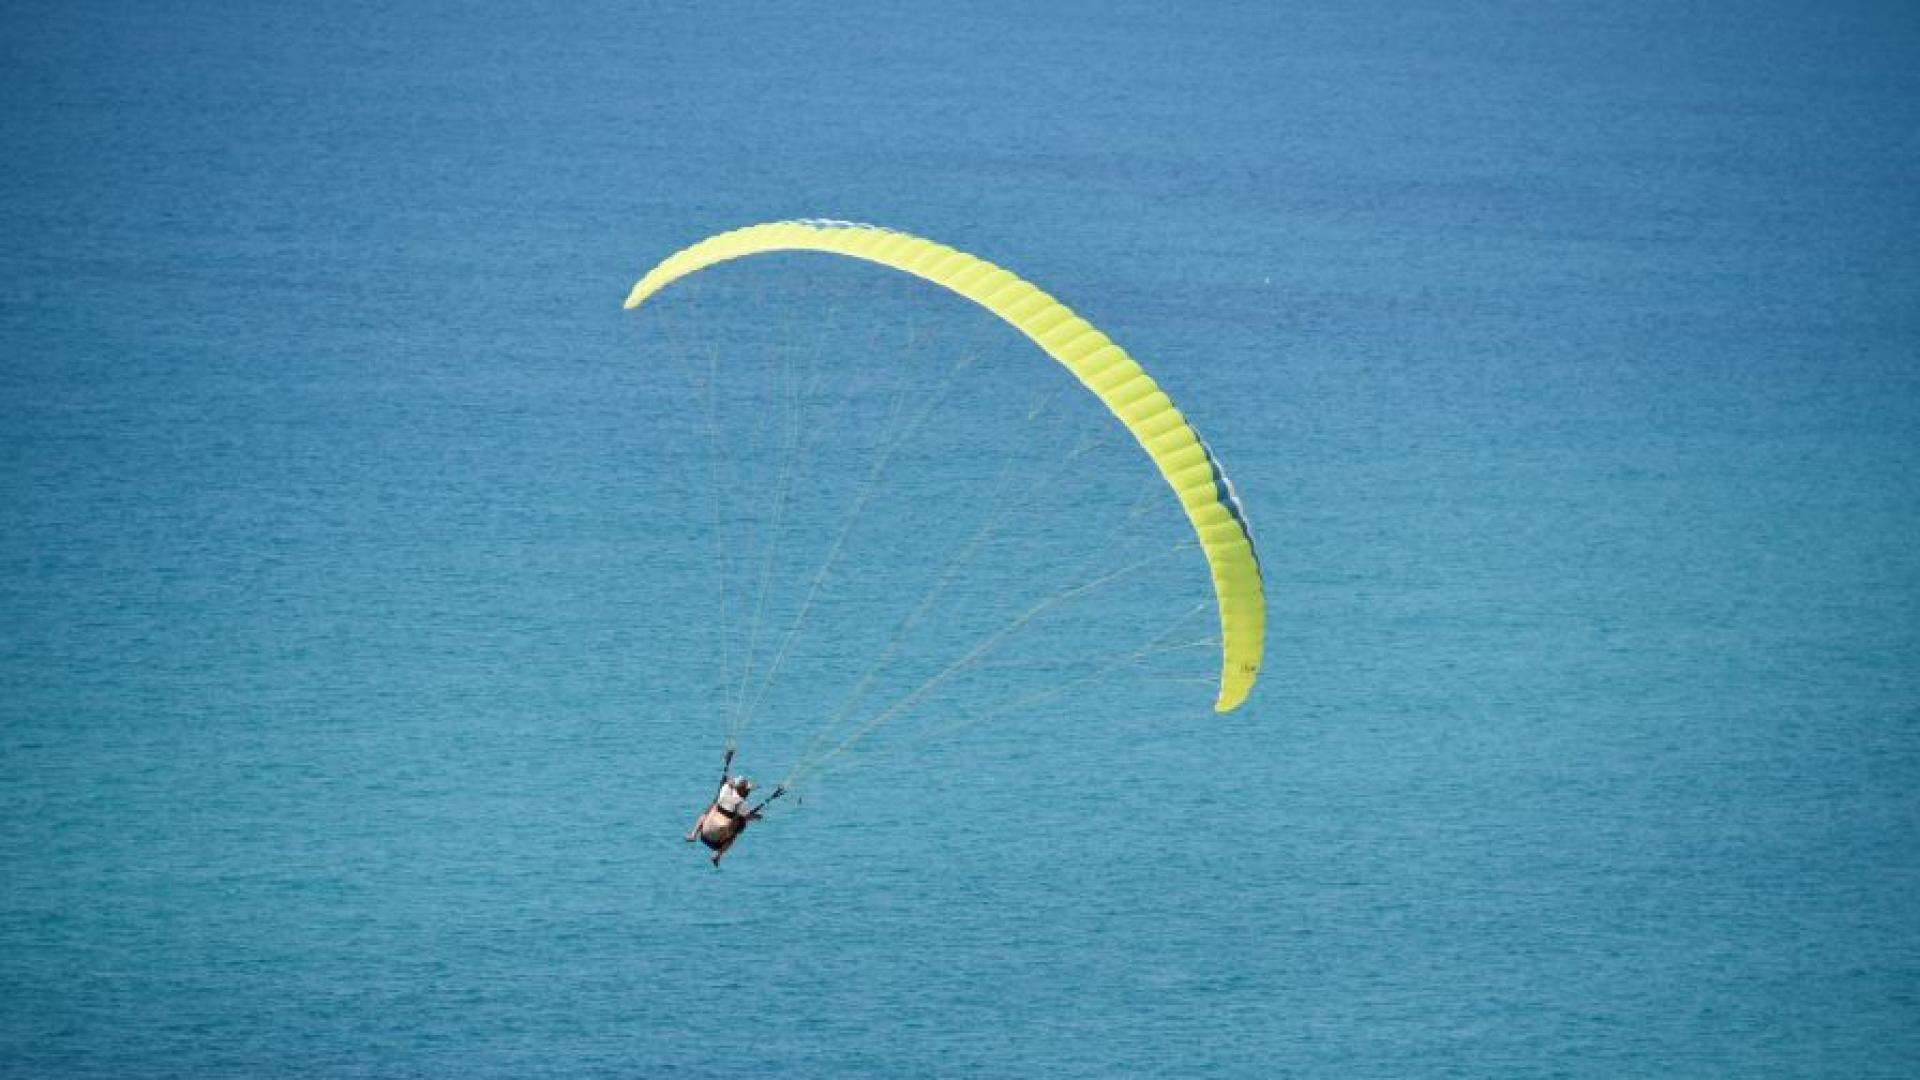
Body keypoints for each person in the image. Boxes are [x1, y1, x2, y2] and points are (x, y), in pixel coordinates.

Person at [685, 748, 765, 867]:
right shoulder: (741, 803)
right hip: (717, 839)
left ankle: (693, 834)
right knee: (735, 833)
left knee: (707, 811)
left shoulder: (725, 791)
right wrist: (757, 817)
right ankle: (718, 853)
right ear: (745, 792)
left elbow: (726, 781)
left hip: (705, 832)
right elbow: (746, 817)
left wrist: (728, 762)